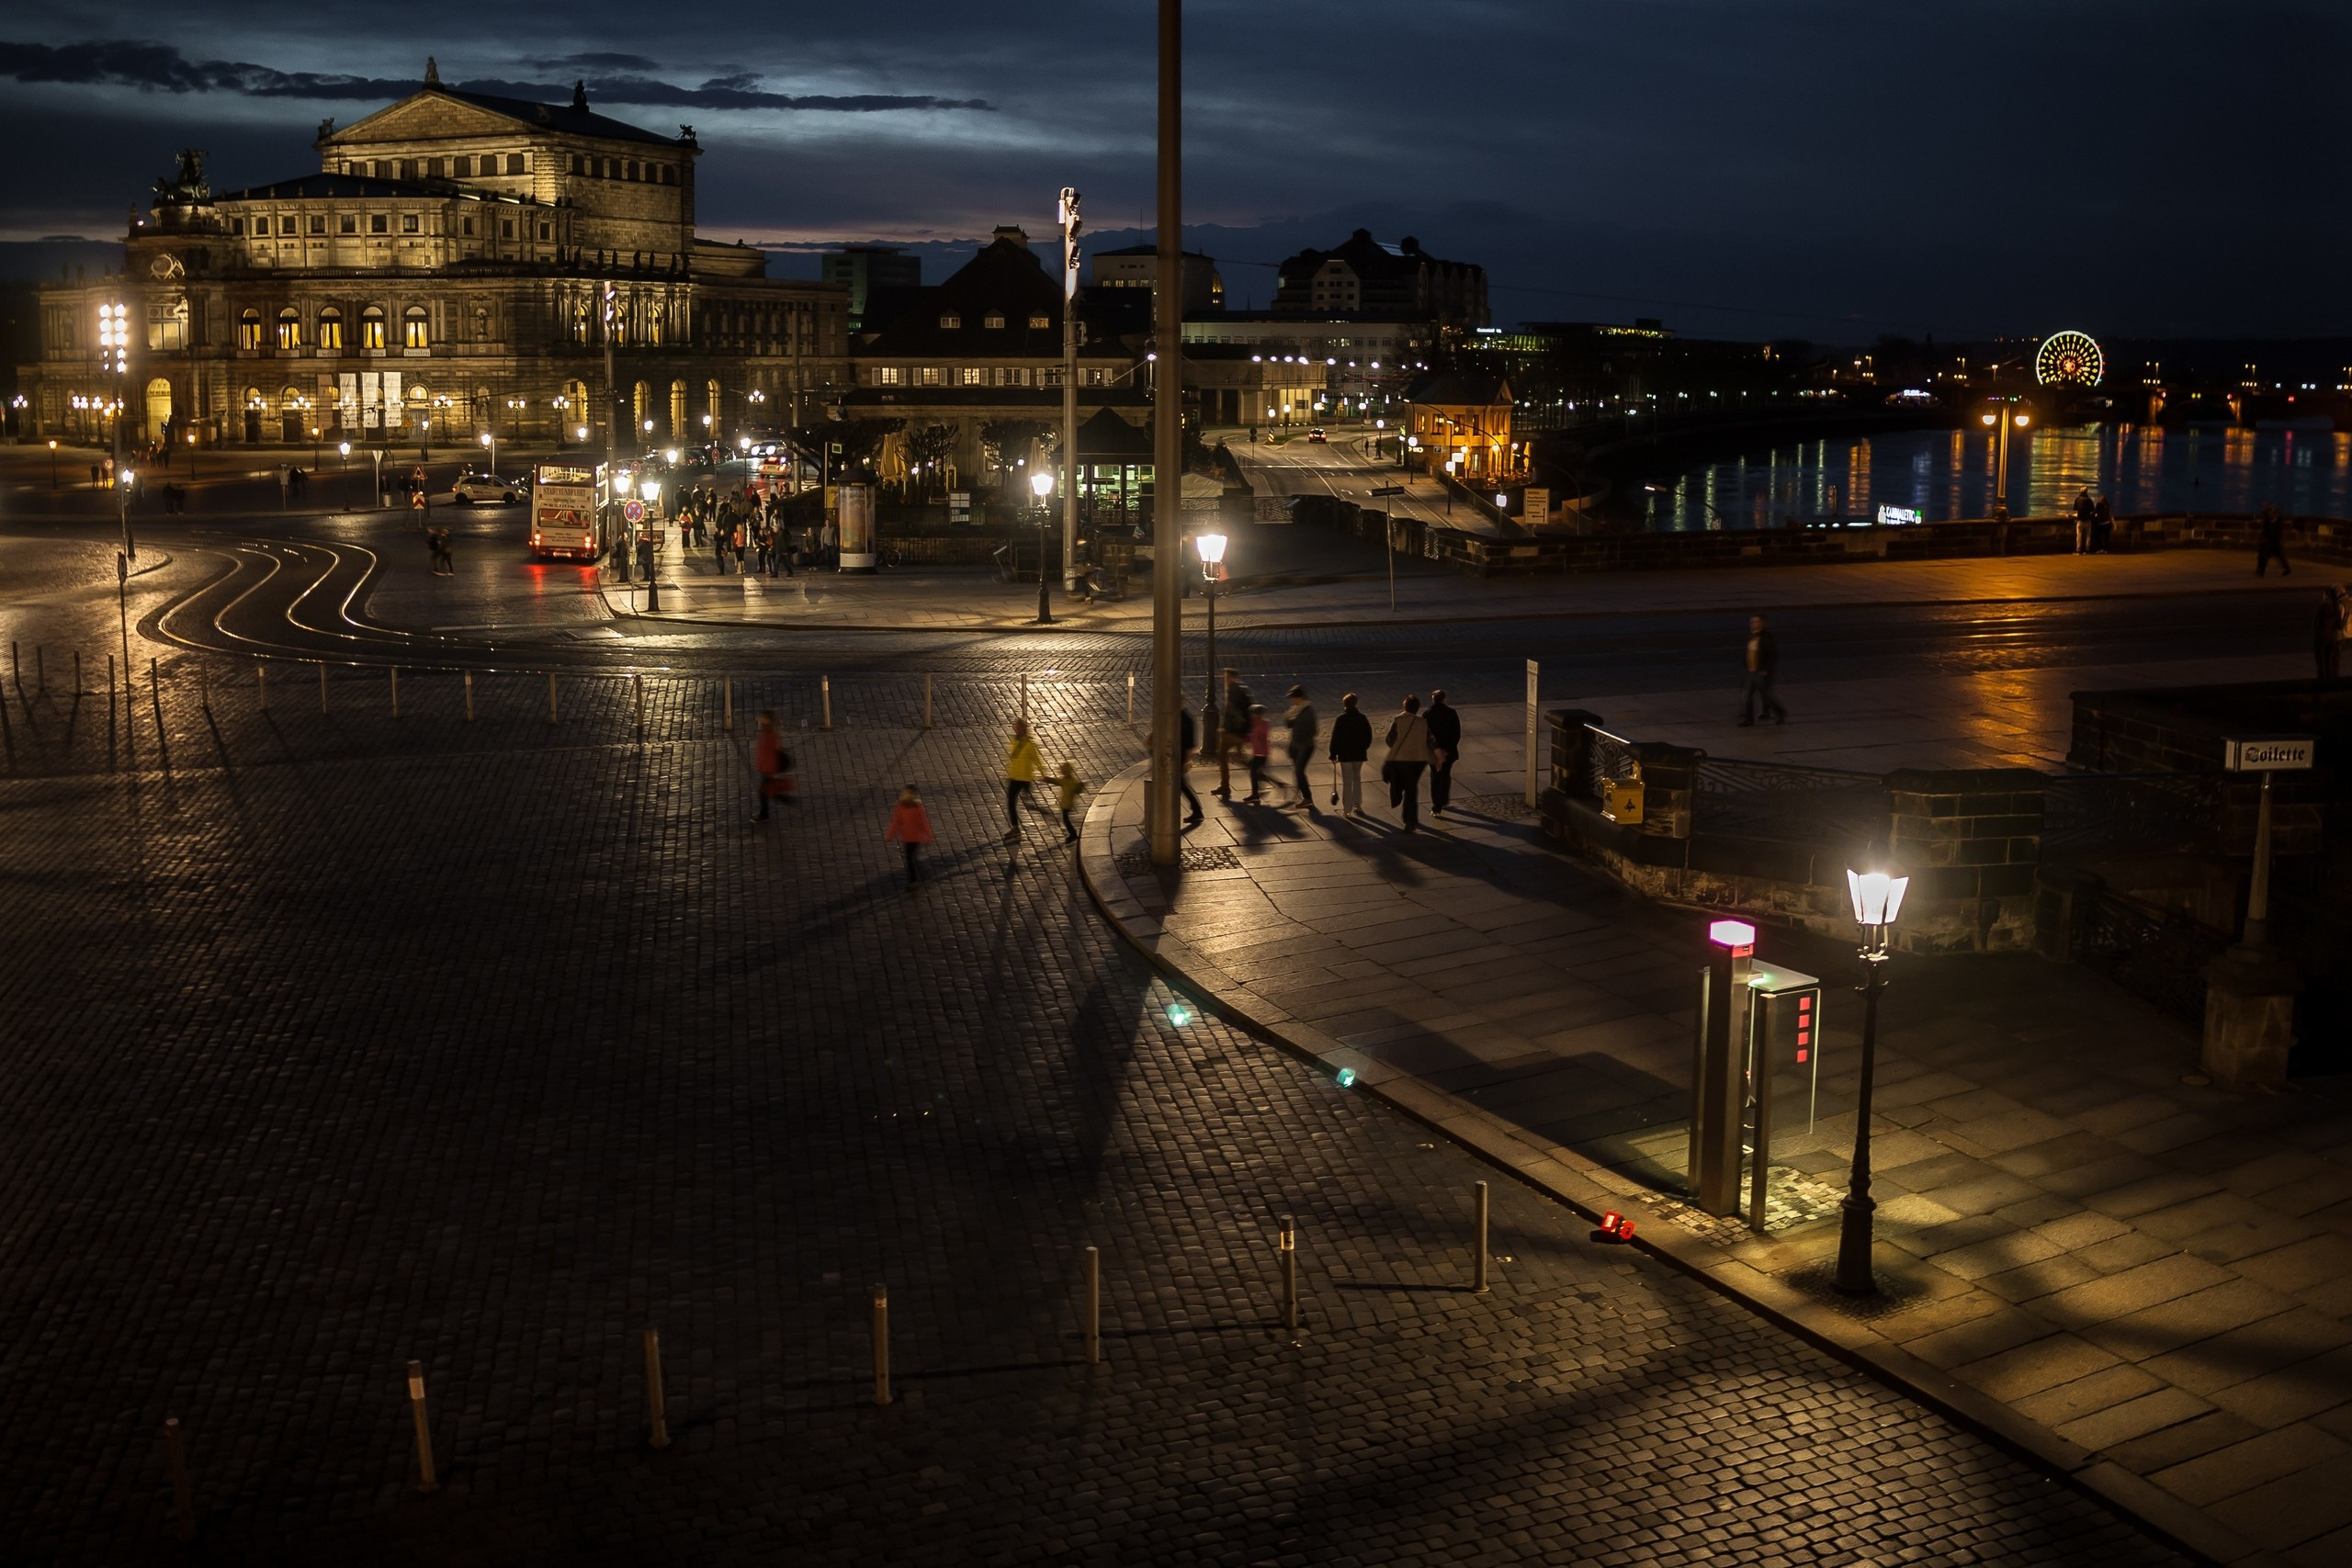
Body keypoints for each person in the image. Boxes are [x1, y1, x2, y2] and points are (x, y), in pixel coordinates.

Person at [1383, 694, 1432, 831]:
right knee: (1411, 789)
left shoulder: (1399, 720)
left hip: (1401, 759)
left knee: (1402, 785)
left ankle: (1406, 813)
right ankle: (1410, 820)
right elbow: (1430, 740)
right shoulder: (1422, 722)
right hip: (1418, 760)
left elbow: (1390, 740)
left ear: (1405, 706)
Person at [1738, 613, 1787, 726]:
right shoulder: (1751, 636)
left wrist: (1766, 669)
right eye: (1752, 622)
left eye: (1756, 622)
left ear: (1763, 623)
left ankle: (1780, 713)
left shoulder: (1767, 637)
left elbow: (1773, 655)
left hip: (1761, 672)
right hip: (1750, 671)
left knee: (1766, 695)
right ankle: (1748, 720)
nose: (1753, 624)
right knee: (1746, 695)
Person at [1329, 692, 1371, 815]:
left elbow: (1335, 737)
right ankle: (1357, 804)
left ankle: (1347, 809)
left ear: (1345, 704)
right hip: (1359, 753)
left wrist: (1333, 753)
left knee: (1347, 781)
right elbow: (1368, 736)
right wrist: (1364, 747)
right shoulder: (1362, 718)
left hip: (1345, 754)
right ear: (1356, 703)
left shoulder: (1341, 719)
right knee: (1357, 778)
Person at [885, 784, 934, 887]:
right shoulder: (899, 806)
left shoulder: (917, 807)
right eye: (904, 793)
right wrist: (890, 834)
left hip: (915, 838)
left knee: (909, 859)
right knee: (911, 858)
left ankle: (913, 881)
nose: (905, 795)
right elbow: (896, 821)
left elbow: (923, 822)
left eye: (908, 793)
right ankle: (922, 873)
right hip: (906, 837)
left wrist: (928, 835)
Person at [1003, 717, 1045, 840]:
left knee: (1027, 803)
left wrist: (1043, 773)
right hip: (1014, 777)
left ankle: (1040, 811)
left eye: (1019, 727)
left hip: (1025, 778)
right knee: (1011, 802)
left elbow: (1037, 759)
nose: (1016, 728)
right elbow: (1013, 759)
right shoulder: (1014, 741)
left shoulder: (1029, 744)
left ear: (1023, 729)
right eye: (1015, 726)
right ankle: (1015, 828)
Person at [751, 710, 795, 822]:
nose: (760, 722)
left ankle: (765, 814)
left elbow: (768, 754)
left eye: (762, 720)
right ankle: (782, 800)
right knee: (765, 790)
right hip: (765, 766)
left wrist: (768, 770)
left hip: (767, 767)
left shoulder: (769, 736)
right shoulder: (769, 733)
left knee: (764, 791)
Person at [1215, 669, 1252, 796]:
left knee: (1222, 755)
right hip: (1237, 730)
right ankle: (1258, 774)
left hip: (1233, 732)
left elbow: (1233, 712)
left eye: (1226, 677)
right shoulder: (1239, 689)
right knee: (1239, 757)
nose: (1224, 679)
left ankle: (1225, 786)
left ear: (1232, 677)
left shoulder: (1233, 690)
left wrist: (1227, 729)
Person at [1425, 688, 1462, 815]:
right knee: (1446, 775)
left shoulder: (1427, 713)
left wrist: (1435, 750)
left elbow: (1426, 735)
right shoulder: (1451, 713)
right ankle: (1444, 799)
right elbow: (1456, 733)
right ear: (1444, 699)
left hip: (1433, 752)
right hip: (1448, 751)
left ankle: (1436, 805)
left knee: (1435, 777)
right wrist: (1447, 749)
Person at [1283, 685, 1318, 808]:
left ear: (1299, 698)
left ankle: (1307, 798)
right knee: (1298, 772)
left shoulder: (1308, 711)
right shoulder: (1296, 710)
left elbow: (1314, 731)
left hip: (1305, 747)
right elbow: (1289, 725)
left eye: (1293, 698)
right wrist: (1288, 716)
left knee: (1299, 771)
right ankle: (1302, 792)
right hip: (1295, 746)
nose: (1291, 701)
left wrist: (1302, 744)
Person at [1178, 705, 1204, 825]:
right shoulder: (1181, 716)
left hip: (1181, 756)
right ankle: (1197, 810)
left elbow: (1190, 744)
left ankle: (1197, 810)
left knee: (1181, 784)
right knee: (1181, 784)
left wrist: (1187, 760)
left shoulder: (1186, 718)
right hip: (1178, 754)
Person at [1054, 761, 1087, 843]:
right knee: (1065, 819)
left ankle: (1073, 834)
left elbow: (1057, 781)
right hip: (1066, 803)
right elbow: (1057, 781)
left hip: (1067, 804)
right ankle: (1072, 834)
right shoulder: (1069, 781)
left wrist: (1080, 786)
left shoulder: (1069, 782)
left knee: (1066, 820)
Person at [1245, 705, 1272, 803]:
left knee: (1253, 772)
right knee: (1253, 769)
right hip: (1257, 752)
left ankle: (1255, 794)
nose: (1252, 716)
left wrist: (1248, 739)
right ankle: (1261, 787)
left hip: (1261, 754)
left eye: (1253, 714)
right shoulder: (1256, 723)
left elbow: (1258, 738)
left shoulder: (1263, 725)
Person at [2315, 587, 2343, 681]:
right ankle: (2330, 681)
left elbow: (2315, 623)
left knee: (2320, 662)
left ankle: (2322, 681)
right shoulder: (2336, 608)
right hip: (2332, 637)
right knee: (2328, 661)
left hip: (2322, 636)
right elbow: (2339, 625)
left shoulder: (2322, 608)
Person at [2257, 503, 2291, 577]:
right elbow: (2265, 531)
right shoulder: (2268, 522)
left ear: (2275, 515)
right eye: (2270, 514)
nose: (2270, 515)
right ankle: (2261, 571)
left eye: (2272, 514)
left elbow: (2279, 534)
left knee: (2280, 558)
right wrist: (2264, 539)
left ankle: (2287, 569)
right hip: (2270, 543)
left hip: (2275, 544)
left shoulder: (2278, 522)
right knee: (2266, 557)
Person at [2073, 488, 2096, 555]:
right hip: (2088, 519)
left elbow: (2075, 508)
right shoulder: (2089, 500)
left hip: (2080, 520)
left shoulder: (2077, 499)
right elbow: (2092, 510)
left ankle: (2078, 549)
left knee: (2079, 535)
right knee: (2088, 535)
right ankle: (2087, 549)